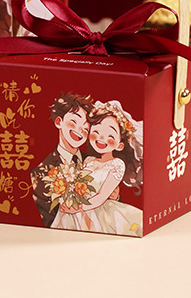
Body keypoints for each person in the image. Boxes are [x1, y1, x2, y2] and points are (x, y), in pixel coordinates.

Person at [52, 99, 144, 237]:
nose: (101, 137)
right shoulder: (88, 160)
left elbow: (101, 196)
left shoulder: (117, 164)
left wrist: (78, 207)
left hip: (97, 212)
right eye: (97, 130)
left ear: (119, 145)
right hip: (75, 210)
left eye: (110, 135)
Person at [29, 92, 93, 227]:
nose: (80, 130)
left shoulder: (93, 162)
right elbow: (45, 220)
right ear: (59, 122)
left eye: (86, 128)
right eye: (74, 122)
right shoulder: (41, 171)